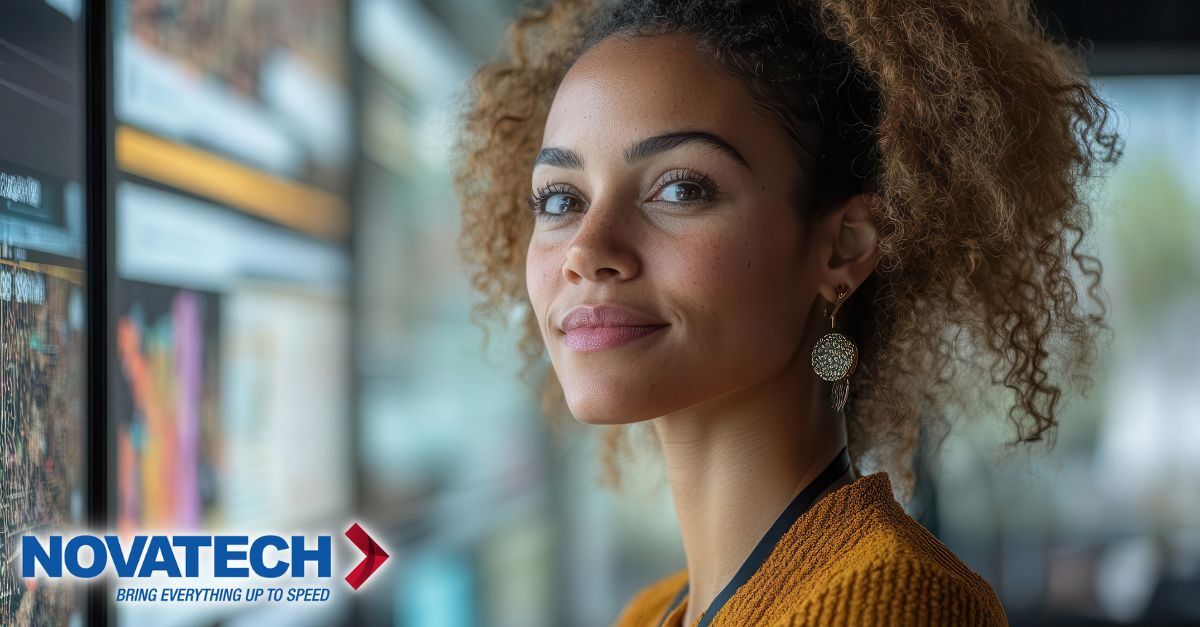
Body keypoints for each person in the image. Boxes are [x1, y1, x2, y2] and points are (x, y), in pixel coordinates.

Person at [452, 0, 1122, 624]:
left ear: (843, 246)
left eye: (681, 188)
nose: (587, 250)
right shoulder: (652, 611)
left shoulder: (896, 606)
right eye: (560, 199)